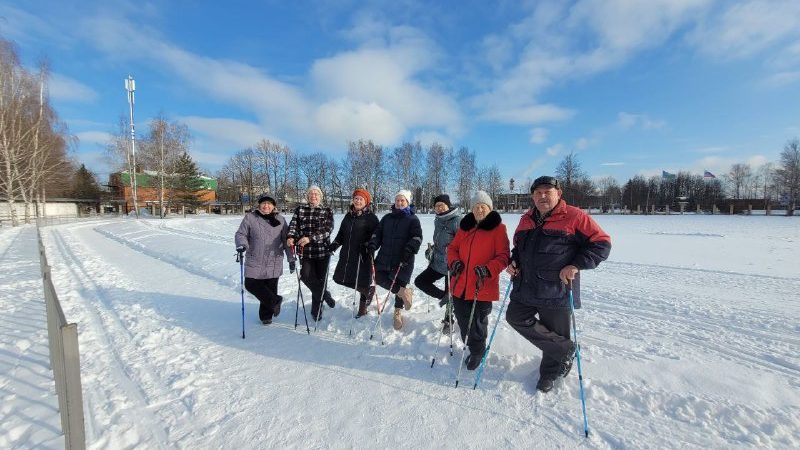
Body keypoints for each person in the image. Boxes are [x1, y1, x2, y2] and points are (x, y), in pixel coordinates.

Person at [505, 176, 611, 393]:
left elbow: (601, 244)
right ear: (532, 196)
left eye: (548, 192)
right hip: (525, 285)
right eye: (538, 193)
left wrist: (576, 265)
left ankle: (549, 373)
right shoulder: (526, 219)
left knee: (555, 331)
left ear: (558, 194)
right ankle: (566, 350)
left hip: (556, 288)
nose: (542, 196)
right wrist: (513, 261)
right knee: (515, 317)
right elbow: (519, 248)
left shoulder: (575, 216)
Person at [447, 191, 510, 370]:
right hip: (460, 283)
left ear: (489, 208)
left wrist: (488, 269)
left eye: (483, 206)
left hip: (481, 284)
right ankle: (472, 345)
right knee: (462, 319)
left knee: (477, 322)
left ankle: (478, 351)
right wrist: (454, 262)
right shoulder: (465, 228)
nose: (479, 210)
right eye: (476, 207)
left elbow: (503, 256)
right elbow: (452, 249)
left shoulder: (498, 229)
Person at [366, 189, 422, 330]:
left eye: (402, 200)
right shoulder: (387, 218)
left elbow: (417, 237)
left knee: (400, 280)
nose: (399, 202)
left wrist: (409, 249)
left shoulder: (413, 219)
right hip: (384, 256)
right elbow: (378, 233)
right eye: (397, 200)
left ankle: (397, 311)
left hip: (403, 257)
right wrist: (373, 244)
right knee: (378, 277)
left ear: (407, 202)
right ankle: (404, 292)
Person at [235, 194, 294, 325]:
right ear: (259, 205)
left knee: (270, 288)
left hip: (274, 259)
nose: (266, 206)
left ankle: (266, 317)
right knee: (250, 284)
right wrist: (241, 244)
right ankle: (275, 301)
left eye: (269, 203)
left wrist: (291, 259)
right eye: (263, 203)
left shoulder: (280, 220)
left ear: (274, 206)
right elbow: (241, 234)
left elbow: (286, 240)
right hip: (255, 258)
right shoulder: (250, 218)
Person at [414, 194, 461, 333]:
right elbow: (440, 242)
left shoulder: (457, 221)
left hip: (451, 265)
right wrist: (432, 251)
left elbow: (463, 244)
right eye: (436, 206)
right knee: (420, 281)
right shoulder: (438, 220)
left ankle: (448, 321)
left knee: (450, 292)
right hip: (438, 262)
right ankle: (445, 298)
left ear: (448, 205)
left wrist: (455, 258)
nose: (439, 208)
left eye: (442, 205)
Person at [287, 185, 335, 321]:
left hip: (322, 251)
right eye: (311, 193)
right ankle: (325, 295)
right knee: (306, 276)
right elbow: (293, 226)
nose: (313, 196)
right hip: (306, 252)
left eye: (316, 194)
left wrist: (310, 238)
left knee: (320, 280)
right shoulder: (300, 209)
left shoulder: (327, 210)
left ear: (320, 197)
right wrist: (290, 237)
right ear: (308, 196)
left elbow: (327, 230)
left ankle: (316, 309)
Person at [329, 188, 379, 317]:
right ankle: (368, 291)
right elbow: (341, 234)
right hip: (347, 254)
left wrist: (368, 246)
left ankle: (362, 310)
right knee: (339, 278)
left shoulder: (371, 218)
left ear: (366, 202)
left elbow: (377, 236)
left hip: (363, 255)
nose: (358, 201)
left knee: (362, 281)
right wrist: (335, 244)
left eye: (361, 199)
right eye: (356, 198)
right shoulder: (348, 216)